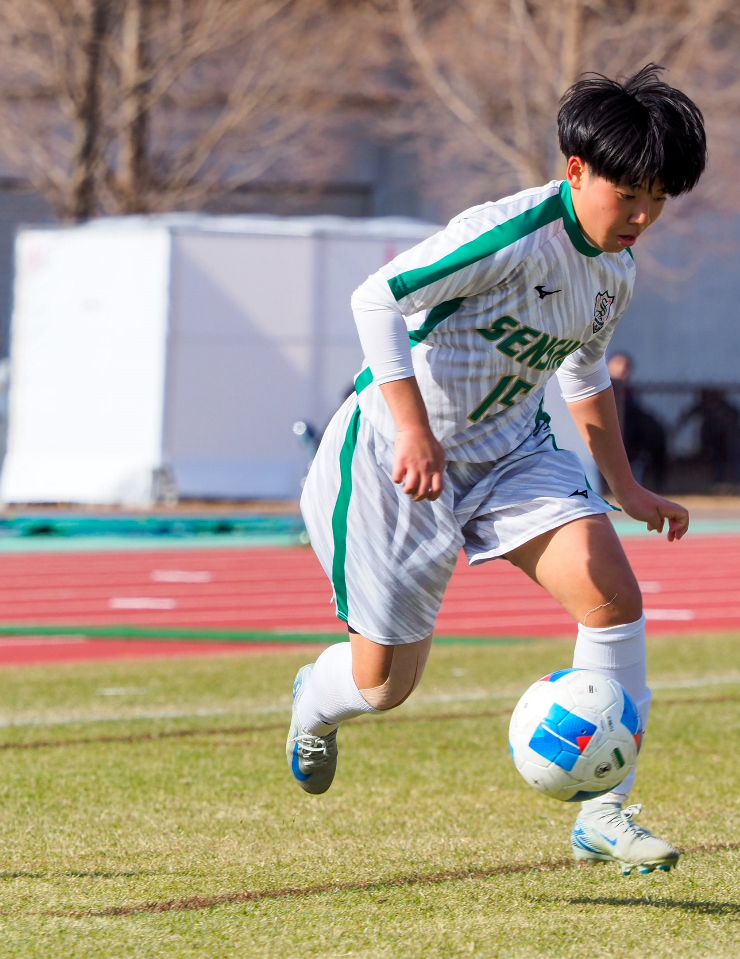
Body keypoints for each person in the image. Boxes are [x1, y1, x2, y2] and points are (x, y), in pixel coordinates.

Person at [288, 65, 705, 874]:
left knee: (613, 595)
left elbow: (582, 377)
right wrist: (412, 431)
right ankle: (315, 699)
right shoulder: (509, 233)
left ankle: (605, 813)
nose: (644, 216)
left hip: (512, 455)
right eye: (630, 196)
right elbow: (377, 299)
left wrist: (626, 486)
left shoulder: (615, 269)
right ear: (576, 168)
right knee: (383, 685)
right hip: (395, 462)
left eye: (659, 199)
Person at [607, 352, 668, 490]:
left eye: (626, 366)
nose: (622, 369)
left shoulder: (628, 394)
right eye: (618, 364)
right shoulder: (596, 388)